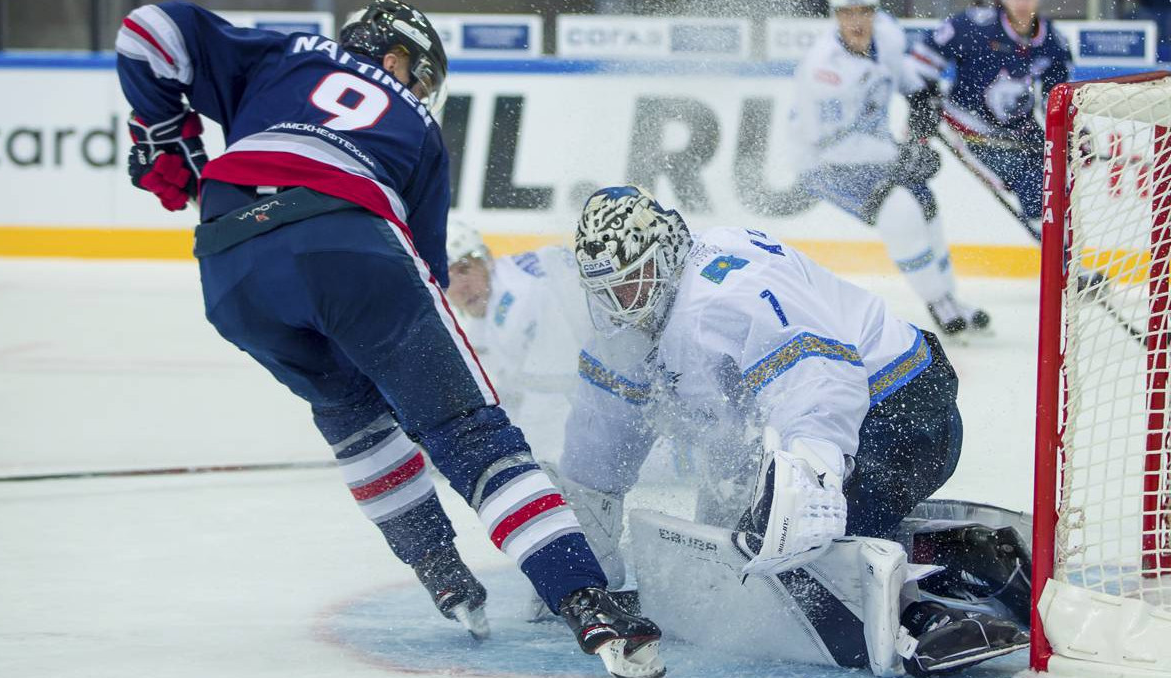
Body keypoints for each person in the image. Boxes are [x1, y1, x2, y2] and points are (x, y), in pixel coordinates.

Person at [114, 4, 664, 676]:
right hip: (348, 241)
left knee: (352, 417)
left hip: (230, 272)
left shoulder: (281, 55)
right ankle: (588, 601)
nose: (422, 91)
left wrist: (166, 134)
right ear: (398, 59)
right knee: (468, 432)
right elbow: (421, 273)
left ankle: (440, 570)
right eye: (422, 76)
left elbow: (148, 28)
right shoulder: (421, 129)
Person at [557, 185, 1029, 676]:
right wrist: (579, 576)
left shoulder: (721, 294)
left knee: (790, 562)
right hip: (871, 409)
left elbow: (821, 373)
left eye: (633, 282)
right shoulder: (641, 313)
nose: (622, 303)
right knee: (748, 550)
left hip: (901, 411)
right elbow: (598, 453)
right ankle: (965, 553)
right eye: (607, 291)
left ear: (669, 252)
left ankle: (921, 619)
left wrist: (813, 468)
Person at [790, 0, 989, 337]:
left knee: (925, 206)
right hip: (824, 163)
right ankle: (936, 300)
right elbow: (829, 144)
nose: (857, 21)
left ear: (875, 13)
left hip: (878, 153)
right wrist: (898, 155)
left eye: (864, 12)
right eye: (847, 13)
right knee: (899, 211)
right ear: (835, 17)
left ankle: (949, 296)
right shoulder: (824, 69)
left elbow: (900, 74)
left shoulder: (887, 35)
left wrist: (921, 97)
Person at [911, 0, 1073, 235]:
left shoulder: (1053, 40)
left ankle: (1067, 260)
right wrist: (923, 102)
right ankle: (1062, 263)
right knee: (1036, 187)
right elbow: (921, 64)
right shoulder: (974, 25)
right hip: (970, 129)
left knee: (1059, 184)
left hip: (1022, 130)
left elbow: (1057, 98)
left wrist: (1070, 131)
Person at [444, 220, 589, 419]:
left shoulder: (524, 296)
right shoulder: (479, 318)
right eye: (446, 278)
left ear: (486, 260)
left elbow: (552, 400)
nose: (461, 287)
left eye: (464, 269)